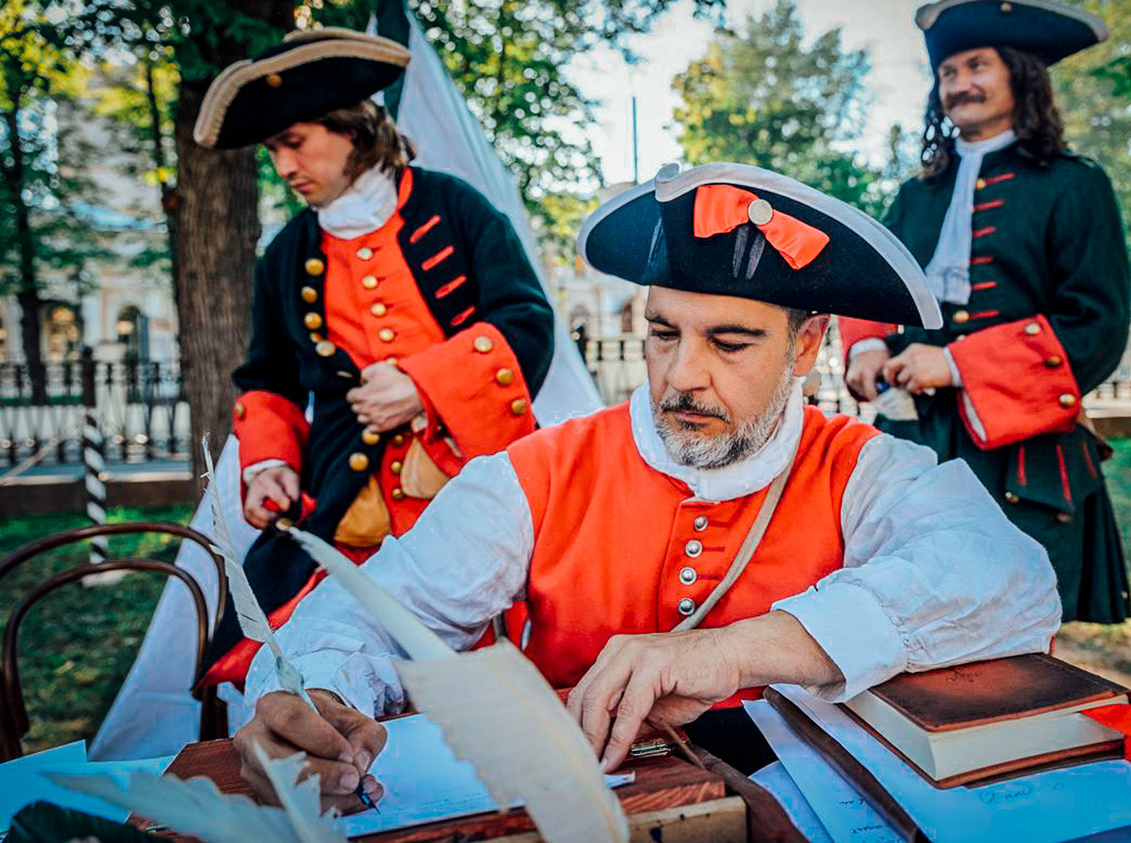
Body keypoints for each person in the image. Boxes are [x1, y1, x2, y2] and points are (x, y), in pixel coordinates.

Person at [232, 161, 1061, 811]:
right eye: (664, 333)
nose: (682, 376)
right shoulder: (541, 470)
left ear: (808, 345)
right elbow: (375, 609)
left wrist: (732, 649)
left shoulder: (861, 467)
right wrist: (316, 692)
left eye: (730, 343)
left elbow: (1010, 581)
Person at [193, 28, 555, 684]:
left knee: (492, 676)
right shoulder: (286, 254)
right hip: (347, 498)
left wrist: (424, 384)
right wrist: (270, 462)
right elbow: (267, 376)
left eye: (294, 142)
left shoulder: (455, 208)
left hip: (475, 481)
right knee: (332, 660)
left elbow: (526, 322)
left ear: (352, 126)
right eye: (273, 149)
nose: (283, 166)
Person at [841, 0, 1131, 625]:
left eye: (977, 66)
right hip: (915, 441)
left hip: (1021, 452)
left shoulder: (1076, 185)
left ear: (1020, 76)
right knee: (902, 618)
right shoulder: (915, 195)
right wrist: (866, 346)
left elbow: (1097, 327)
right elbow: (869, 282)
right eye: (948, 72)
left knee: (1015, 633)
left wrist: (958, 365)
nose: (959, 85)